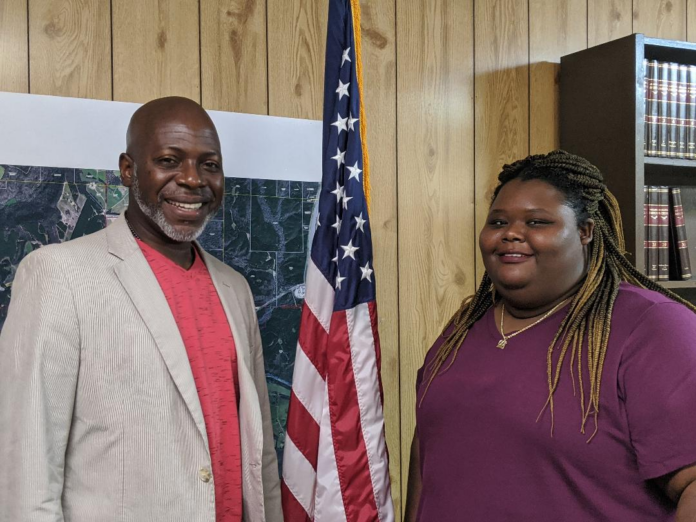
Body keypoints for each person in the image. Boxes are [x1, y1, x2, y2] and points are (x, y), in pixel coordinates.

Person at [0, 97, 282, 522]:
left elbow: (260, 457)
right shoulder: (57, 276)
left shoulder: (235, 289)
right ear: (128, 170)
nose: (192, 179)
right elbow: (27, 470)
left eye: (209, 165)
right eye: (169, 160)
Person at [404, 150, 696, 521]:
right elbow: (427, 453)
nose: (511, 233)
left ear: (585, 231)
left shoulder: (651, 327)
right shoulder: (462, 329)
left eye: (537, 222)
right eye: (498, 222)